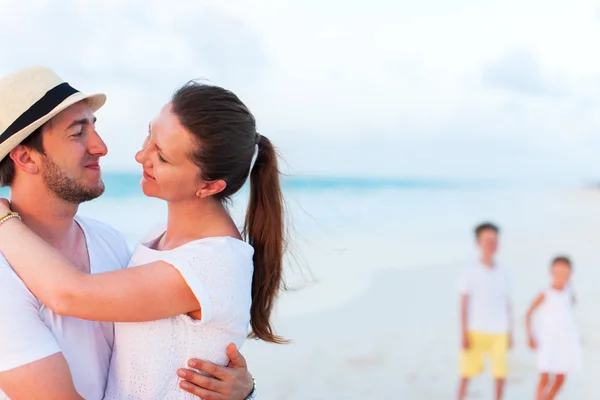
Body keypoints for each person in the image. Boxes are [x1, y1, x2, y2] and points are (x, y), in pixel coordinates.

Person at [0, 66, 257, 400]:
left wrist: (242, 390)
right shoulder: (6, 274)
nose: (102, 147)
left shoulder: (111, 242)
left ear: (209, 185)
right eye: (79, 133)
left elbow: (166, 350)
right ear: (24, 156)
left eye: (95, 127)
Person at [457, 222, 513, 400]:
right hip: (476, 330)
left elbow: (506, 302)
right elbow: (464, 303)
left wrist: (510, 331)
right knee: (466, 373)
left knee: (500, 375)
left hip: (500, 331)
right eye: (486, 240)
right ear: (478, 244)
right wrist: (464, 332)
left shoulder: (503, 271)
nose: (491, 244)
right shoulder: (470, 271)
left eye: (494, 241)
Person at [525, 256, 581, 400]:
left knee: (561, 378)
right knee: (545, 377)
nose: (561, 276)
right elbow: (528, 313)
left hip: (563, 342)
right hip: (547, 342)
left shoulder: (568, 292)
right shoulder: (545, 293)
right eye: (558, 272)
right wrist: (530, 336)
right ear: (551, 272)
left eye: (565, 273)